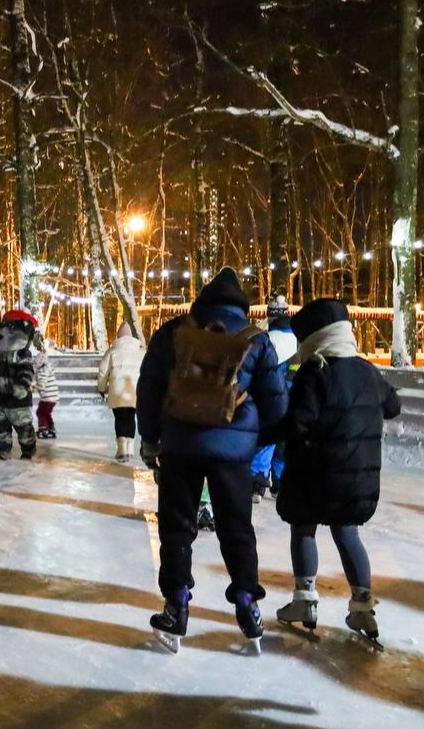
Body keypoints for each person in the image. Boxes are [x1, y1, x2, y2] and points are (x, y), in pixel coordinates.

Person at [136, 267, 287, 653]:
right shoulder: (257, 340)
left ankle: (176, 604)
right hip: (233, 454)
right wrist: (251, 440)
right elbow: (276, 405)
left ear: (202, 300)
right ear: (242, 304)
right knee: (236, 527)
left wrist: (151, 438)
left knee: (177, 526)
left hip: (180, 444)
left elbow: (149, 387)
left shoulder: (174, 332)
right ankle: (247, 601)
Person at [270, 299, 400, 646]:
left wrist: (267, 433)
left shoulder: (316, 370)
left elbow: (300, 422)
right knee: (348, 534)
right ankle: (362, 606)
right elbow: (393, 405)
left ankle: (305, 600)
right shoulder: (367, 370)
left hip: (316, 473)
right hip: (357, 476)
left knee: (304, 529)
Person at [250, 296, 298, 502]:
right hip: (296, 399)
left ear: (269, 315)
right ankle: (281, 484)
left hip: (269, 399)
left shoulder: (266, 340)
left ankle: (257, 482)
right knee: (284, 445)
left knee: (267, 439)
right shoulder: (299, 339)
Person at [0, 310, 38, 460]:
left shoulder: (23, 355)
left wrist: (21, 386)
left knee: (23, 427)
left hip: (19, 401)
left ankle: (28, 449)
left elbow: (26, 372)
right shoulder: (1, 355)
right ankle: (2, 450)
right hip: (1, 399)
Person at [97, 322, 146, 462]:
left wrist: (101, 388)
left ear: (118, 337)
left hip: (117, 392)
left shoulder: (112, 352)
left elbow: (102, 372)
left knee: (120, 419)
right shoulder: (141, 353)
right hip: (134, 392)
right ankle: (129, 449)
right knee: (131, 419)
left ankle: (121, 450)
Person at [32, 332, 60, 439]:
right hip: (51, 396)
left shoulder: (43, 371)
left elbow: (41, 385)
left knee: (41, 412)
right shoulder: (47, 368)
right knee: (46, 413)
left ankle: (43, 428)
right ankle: (51, 427)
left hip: (48, 397)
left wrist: (32, 388)